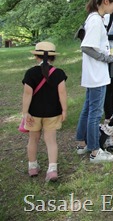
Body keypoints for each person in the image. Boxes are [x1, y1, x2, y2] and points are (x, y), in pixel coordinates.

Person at [76, 0, 113, 163]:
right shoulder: (95, 20)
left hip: (94, 73)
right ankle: (95, 151)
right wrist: (107, 58)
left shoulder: (97, 18)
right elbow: (86, 47)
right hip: (96, 75)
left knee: (88, 109)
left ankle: (82, 143)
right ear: (106, 1)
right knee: (95, 112)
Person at [22, 42, 67, 181]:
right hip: (53, 113)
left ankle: (32, 166)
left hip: (33, 114)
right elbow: (62, 93)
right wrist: (64, 110)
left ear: (36, 56)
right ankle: (52, 169)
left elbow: (27, 94)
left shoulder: (30, 73)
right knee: (51, 141)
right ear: (53, 58)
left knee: (33, 139)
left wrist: (25, 113)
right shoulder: (59, 73)